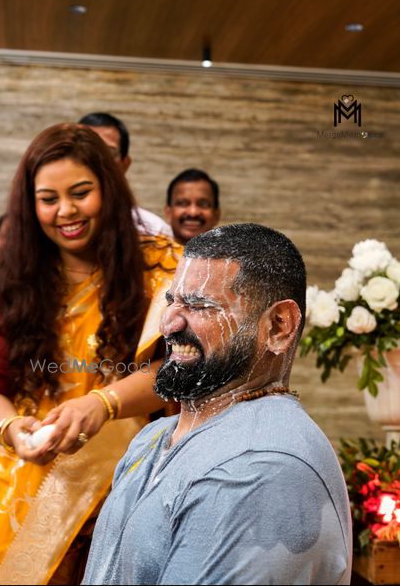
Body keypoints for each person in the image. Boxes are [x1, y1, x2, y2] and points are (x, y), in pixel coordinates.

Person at [0, 123, 181, 585]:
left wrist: (103, 404)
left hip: (129, 483)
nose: (66, 210)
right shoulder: (7, 286)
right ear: (30, 205)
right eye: (49, 199)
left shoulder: (164, 269)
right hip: (32, 487)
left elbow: (184, 369)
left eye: (81, 193)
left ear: (109, 188)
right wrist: (13, 431)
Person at [82, 223, 353, 585]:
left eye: (199, 305)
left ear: (278, 326)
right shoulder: (153, 437)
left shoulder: (260, 467)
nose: (168, 324)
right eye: (171, 301)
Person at [78, 112, 172, 238]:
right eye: (88, 150)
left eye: (109, 153)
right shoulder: (58, 221)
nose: (98, 161)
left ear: (125, 164)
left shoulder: (154, 232)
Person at [164, 168, 220, 245]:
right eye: (183, 204)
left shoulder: (232, 252)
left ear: (216, 215)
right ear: (168, 212)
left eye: (203, 204)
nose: (193, 213)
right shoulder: (149, 251)